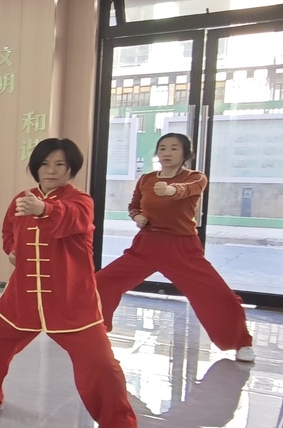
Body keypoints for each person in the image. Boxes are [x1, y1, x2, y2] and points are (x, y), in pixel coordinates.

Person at [0, 138, 140, 428]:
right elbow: (9, 232)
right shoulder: (21, 199)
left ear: (71, 169)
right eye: (44, 164)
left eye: (59, 164)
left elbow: (71, 219)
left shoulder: (81, 201)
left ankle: (118, 422)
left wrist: (44, 208)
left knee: (100, 364)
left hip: (72, 300)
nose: (51, 170)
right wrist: (12, 250)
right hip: (23, 297)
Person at [95, 133, 255, 362]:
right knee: (101, 283)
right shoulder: (146, 179)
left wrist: (171, 191)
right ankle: (95, 332)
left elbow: (187, 190)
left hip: (182, 246)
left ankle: (242, 343)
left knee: (218, 295)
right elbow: (134, 206)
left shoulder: (195, 177)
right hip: (147, 245)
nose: (167, 153)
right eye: (162, 148)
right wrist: (137, 217)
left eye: (174, 148)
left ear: (185, 154)